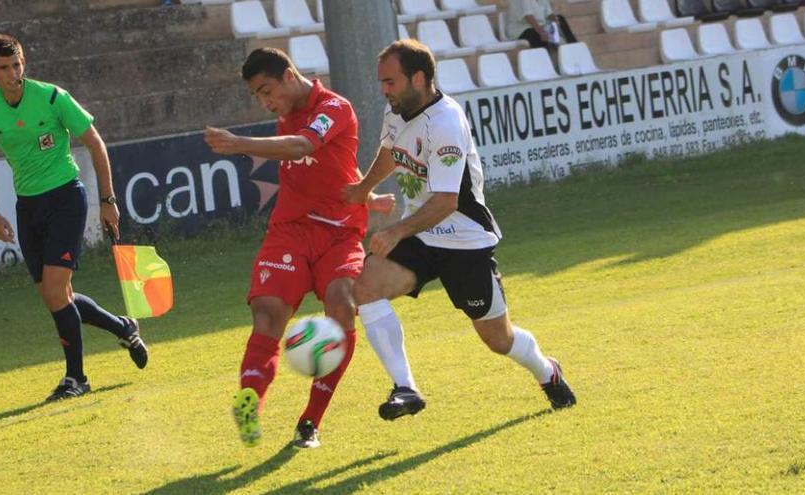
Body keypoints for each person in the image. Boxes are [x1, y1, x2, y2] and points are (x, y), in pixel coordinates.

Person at [346, 39, 576, 421]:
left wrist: (397, 231)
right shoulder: (397, 112)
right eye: (381, 82)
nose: (384, 90)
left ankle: (547, 371)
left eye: (390, 82)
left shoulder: (447, 122)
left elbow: (446, 202)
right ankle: (406, 388)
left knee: (498, 340)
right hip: (421, 235)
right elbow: (390, 152)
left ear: (418, 77)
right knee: (365, 287)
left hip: (464, 239)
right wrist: (363, 187)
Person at [205, 47, 394, 449]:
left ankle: (310, 421)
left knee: (342, 304)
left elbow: (303, 147)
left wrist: (239, 143)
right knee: (268, 311)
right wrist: (368, 194)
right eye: (258, 96)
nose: (265, 101)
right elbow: (339, 163)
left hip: (340, 233)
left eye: (266, 91)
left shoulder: (333, 107)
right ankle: (250, 404)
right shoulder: (287, 115)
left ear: (289, 76)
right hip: (290, 230)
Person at [0, 34, 149, 402]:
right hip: (27, 208)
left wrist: (108, 199)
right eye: (4, 68)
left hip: (66, 198)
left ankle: (76, 379)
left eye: (17, 64)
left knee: (55, 291)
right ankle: (123, 327)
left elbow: (95, 143)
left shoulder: (52, 97)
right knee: (57, 296)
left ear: (24, 63)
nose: (13, 73)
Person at [505, 0, 577, 51]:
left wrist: (554, 19)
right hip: (521, 30)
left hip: (540, 26)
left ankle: (574, 48)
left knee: (560, 18)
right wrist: (542, 32)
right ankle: (545, 63)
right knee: (537, 34)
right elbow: (528, 16)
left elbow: (548, 13)